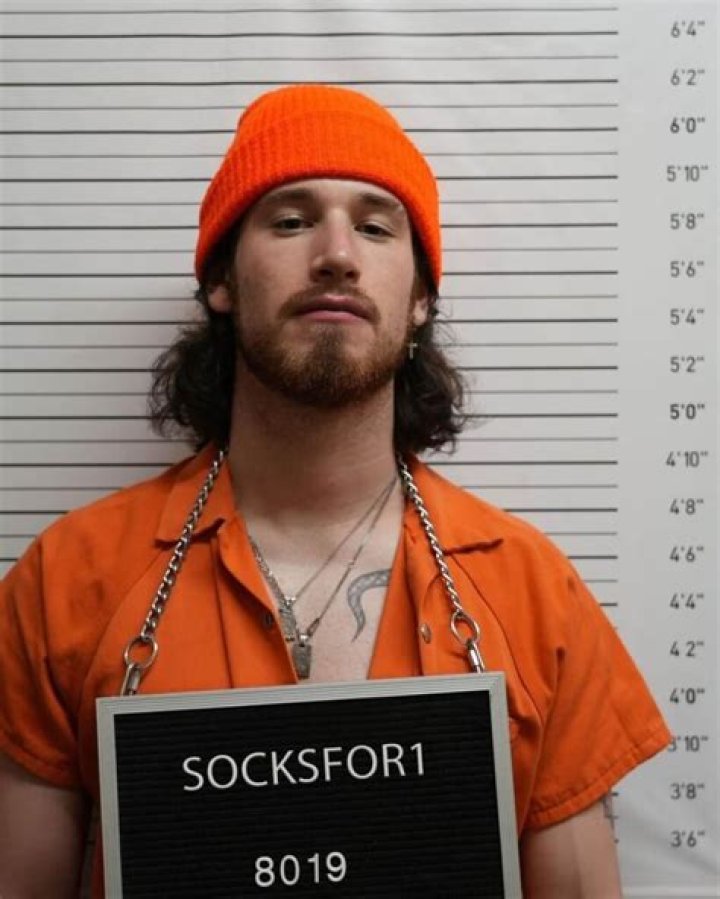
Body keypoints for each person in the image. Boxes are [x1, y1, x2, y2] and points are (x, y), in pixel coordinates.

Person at [0, 84, 669, 898]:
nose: (338, 255)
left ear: (420, 299)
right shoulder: (66, 579)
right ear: (223, 281)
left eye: (377, 227)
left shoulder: (535, 594)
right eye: (290, 221)